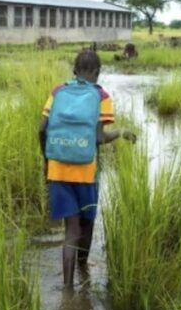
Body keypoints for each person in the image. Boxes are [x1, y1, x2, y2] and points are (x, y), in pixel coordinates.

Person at [39, 50, 136, 288]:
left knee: (70, 230)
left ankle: (68, 290)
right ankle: (84, 269)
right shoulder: (101, 95)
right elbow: (100, 138)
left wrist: (47, 162)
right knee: (88, 222)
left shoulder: (57, 92)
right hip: (87, 172)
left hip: (58, 170)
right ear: (97, 72)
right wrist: (121, 132)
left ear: (74, 70)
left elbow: (42, 130)